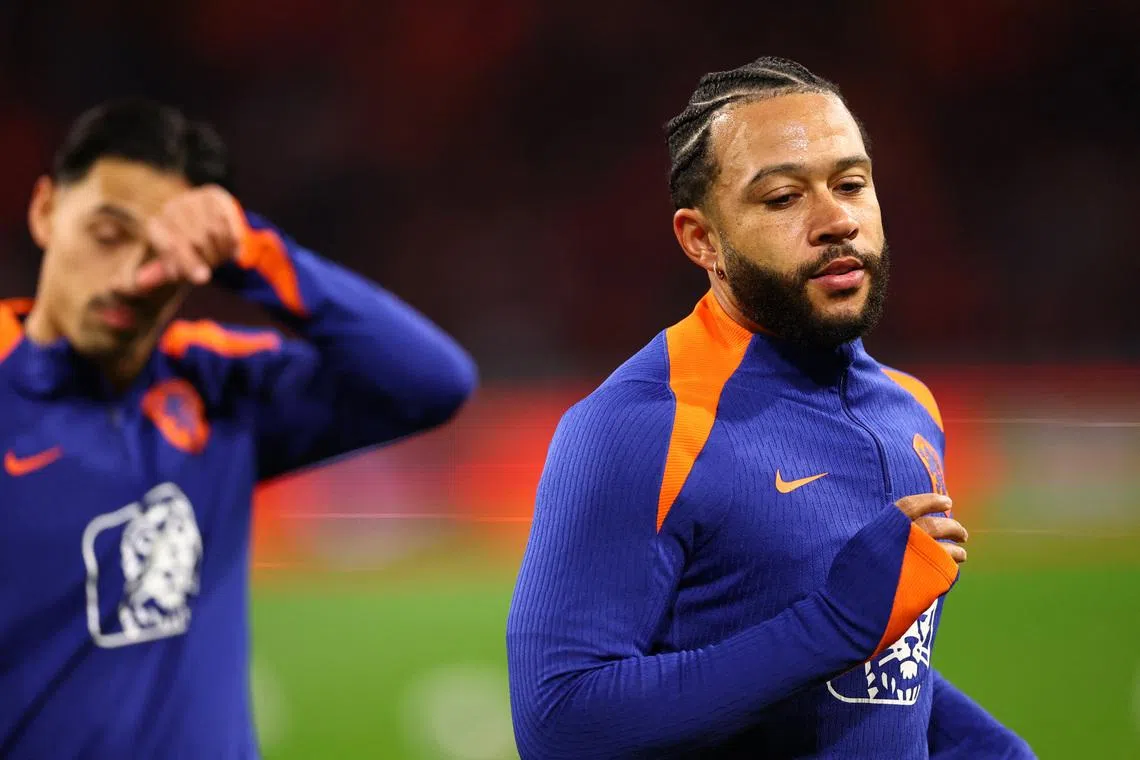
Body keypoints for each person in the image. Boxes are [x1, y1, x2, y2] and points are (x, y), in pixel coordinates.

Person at [507, 57, 1034, 759]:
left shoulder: (910, 409)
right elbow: (559, 721)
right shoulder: (641, 426)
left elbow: (868, 676)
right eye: (783, 199)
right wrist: (831, 624)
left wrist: (987, 749)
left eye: (851, 184)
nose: (836, 220)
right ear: (702, 240)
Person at [0, 99, 477, 758]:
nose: (132, 278)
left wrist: (249, 250)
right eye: (108, 236)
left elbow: (432, 381)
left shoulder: (212, 383)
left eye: (163, 253)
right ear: (45, 210)